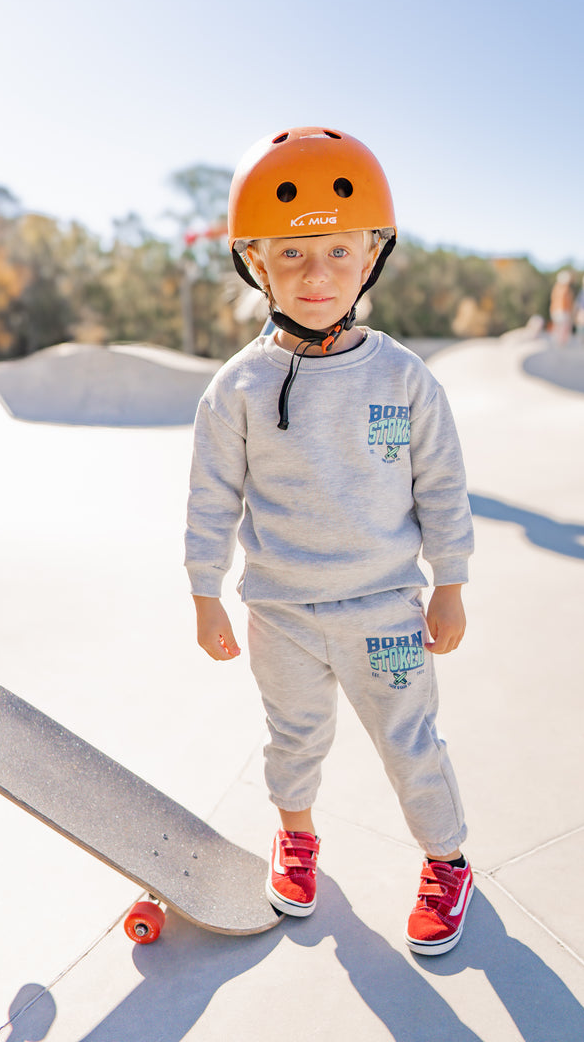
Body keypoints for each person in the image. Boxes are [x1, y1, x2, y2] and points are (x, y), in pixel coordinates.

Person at [184, 127, 475, 956]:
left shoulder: (404, 378)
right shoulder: (237, 387)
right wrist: (206, 591)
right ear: (257, 265)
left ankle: (447, 859)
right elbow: (211, 496)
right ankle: (298, 838)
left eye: (339, 253)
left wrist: (450, 580)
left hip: (385, 608)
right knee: (293, 738)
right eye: (293, 255)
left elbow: (442, 487)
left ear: (370, 256)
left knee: (409, 740)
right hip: (281, 613)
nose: (318, 277)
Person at [549, 269, 574, 346]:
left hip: (557, 311)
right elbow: (565, 302)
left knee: (559, 327)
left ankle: (559, 341)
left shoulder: (556, 288)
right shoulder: (564, 289)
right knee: (562, 327)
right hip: (562, 311)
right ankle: (560, 342)